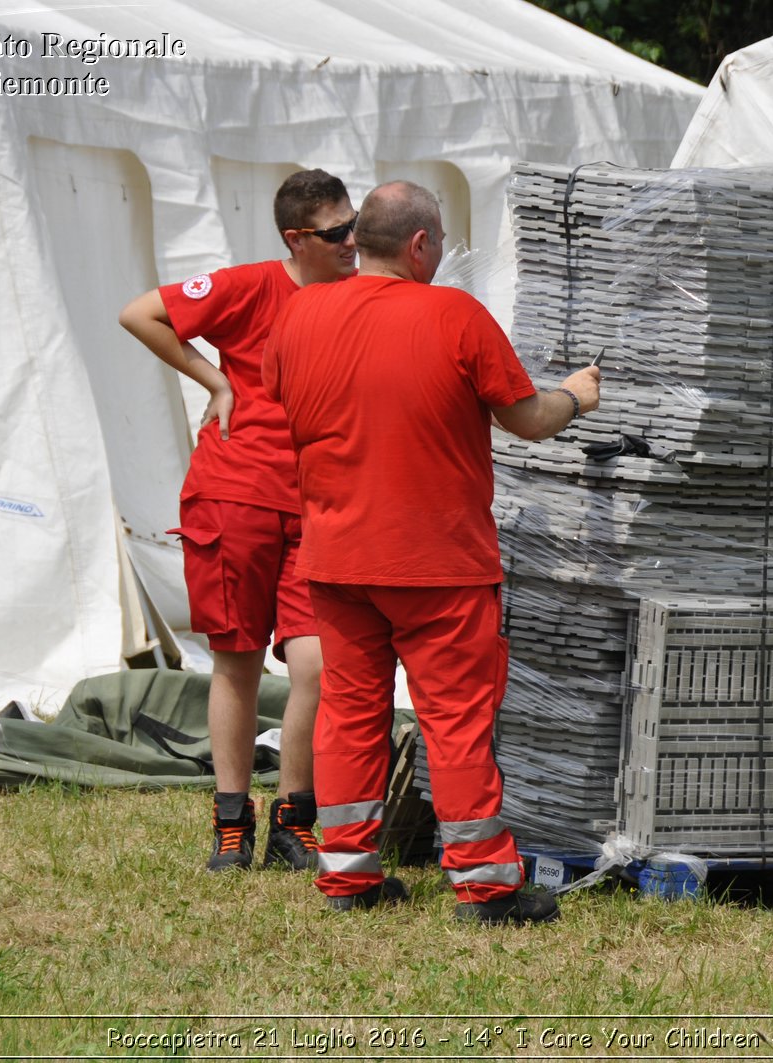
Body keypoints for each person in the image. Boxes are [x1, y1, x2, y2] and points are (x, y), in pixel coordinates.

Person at [262, 181, 601, 925]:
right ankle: (484, 885)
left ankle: (347, 874)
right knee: (454, 719)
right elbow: (528, 419)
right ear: (419, 245)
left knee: (350, 714)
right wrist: (577, 394)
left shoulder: (300, 313)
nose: (442, 253)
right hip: (437, 563)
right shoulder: (455, 314)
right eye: (441, 242)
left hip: (337, 557)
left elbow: (289, 401)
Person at [118, 169, 358, 872]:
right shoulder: (252, 285)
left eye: (355, 224)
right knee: (238, 661)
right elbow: (140, 313)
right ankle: (232, 819)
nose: (352, 241)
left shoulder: (360, 295)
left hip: (318, 506)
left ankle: (293, 814)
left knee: (317, 662)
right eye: (337, 232)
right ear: (297, 239)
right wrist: (216, 380)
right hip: (238, 492)